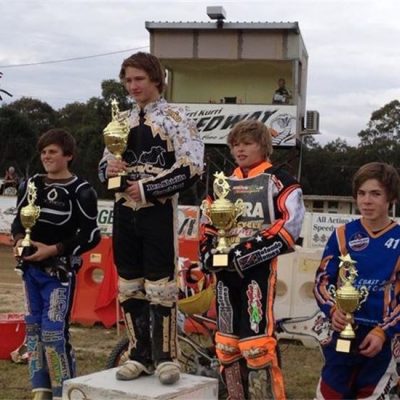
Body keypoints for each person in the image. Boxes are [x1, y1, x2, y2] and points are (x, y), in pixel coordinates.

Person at [98, 52, 204, 384]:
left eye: (139, 79)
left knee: (161, 286)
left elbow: (192, 166)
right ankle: (138, 352)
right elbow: (103, 168)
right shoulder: (119, 123)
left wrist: (146, 189)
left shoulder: (177, 117)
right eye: (128, 80)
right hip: (122, 212)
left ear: (156, 79)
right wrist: (110, 171)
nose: (133, 86)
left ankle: (166, 356)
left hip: (158, 211)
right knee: (129, 284)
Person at [200, 119, 305, 399]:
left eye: (247, 143)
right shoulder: (223, 182)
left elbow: (290, 226)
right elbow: (207, 223)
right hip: (223, 274)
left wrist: (247, 252)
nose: (240, 150)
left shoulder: (279, 179)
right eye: (235, 145)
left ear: (264, 146)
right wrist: (208, 253)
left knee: (257, 345)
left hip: (257, 272)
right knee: (225, 345)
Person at [11, 128, 101, 400]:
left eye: (52, 151)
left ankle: (64, 392)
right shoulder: (31, 184)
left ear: (69, 155)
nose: (46, 156)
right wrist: (18, 241)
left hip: (59, 273)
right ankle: (41, 390)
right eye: (43, 152)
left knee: (53, 334)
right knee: (33, 332)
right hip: (30, 271)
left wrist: (54, 249)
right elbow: (18, 222)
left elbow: (91, 235)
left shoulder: (82, 190)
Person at [314, 162, 400, 399]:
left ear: (390, 197)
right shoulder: (342, 234)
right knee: (329, 393)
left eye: (375, 194)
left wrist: (384, 332)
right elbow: (322, 280)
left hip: (381, 338)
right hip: (342, 331)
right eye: (362, 193)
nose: (367, 201)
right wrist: (333, 310)